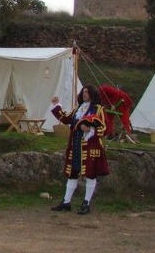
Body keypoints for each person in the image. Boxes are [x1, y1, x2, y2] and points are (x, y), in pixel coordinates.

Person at [49, 84, 110, 214]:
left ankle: (86, 203)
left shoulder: (98, 109)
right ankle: (66, 202)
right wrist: (57, 105)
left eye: (87, 92)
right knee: (72, 173)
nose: (84, 94)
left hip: (90, 146)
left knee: (90, 174)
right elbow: (66, 119)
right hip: (75, 145)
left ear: (92, 94)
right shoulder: (78, 108)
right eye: (83, 92)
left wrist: (90, 129)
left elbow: (105, 128)